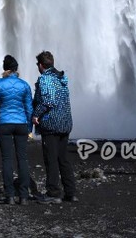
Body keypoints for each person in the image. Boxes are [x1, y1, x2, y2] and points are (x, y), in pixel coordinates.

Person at [32, 50, 77, 203]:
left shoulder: (46, 79)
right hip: (65, 123)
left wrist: (36, 114)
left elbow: (49, 101)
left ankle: (53, 193)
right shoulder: (61, 79)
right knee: (63, 158)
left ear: (40, 65)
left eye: (37, 64)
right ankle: (71, 192)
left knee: (51, 159)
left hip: (51, 124)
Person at [0, 54, 33, 205]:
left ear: (5, 68)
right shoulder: (24, 85)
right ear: (16, 69)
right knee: (22, 158)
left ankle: (10, 196)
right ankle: (24, 196)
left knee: (7, 159)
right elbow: (29, 108)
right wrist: (29, 127)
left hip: (4, 124)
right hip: (21, 124)